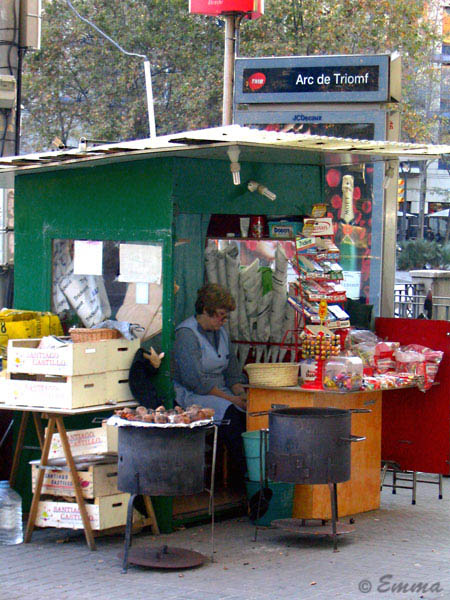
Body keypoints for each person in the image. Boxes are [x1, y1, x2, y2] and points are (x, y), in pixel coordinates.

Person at [173, 283, 248, 486]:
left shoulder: (221, 333)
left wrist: (242, 395)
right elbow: (194, 381)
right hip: (193, 394)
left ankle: (250, 472)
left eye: (225, 317)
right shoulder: (186, 334)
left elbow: (232, 372)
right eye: (220, 316)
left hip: (222, 391)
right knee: (231, 414)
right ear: (206, 311)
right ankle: (243, 478)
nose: (223, 321)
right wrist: (232, 400)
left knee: (249, 413)